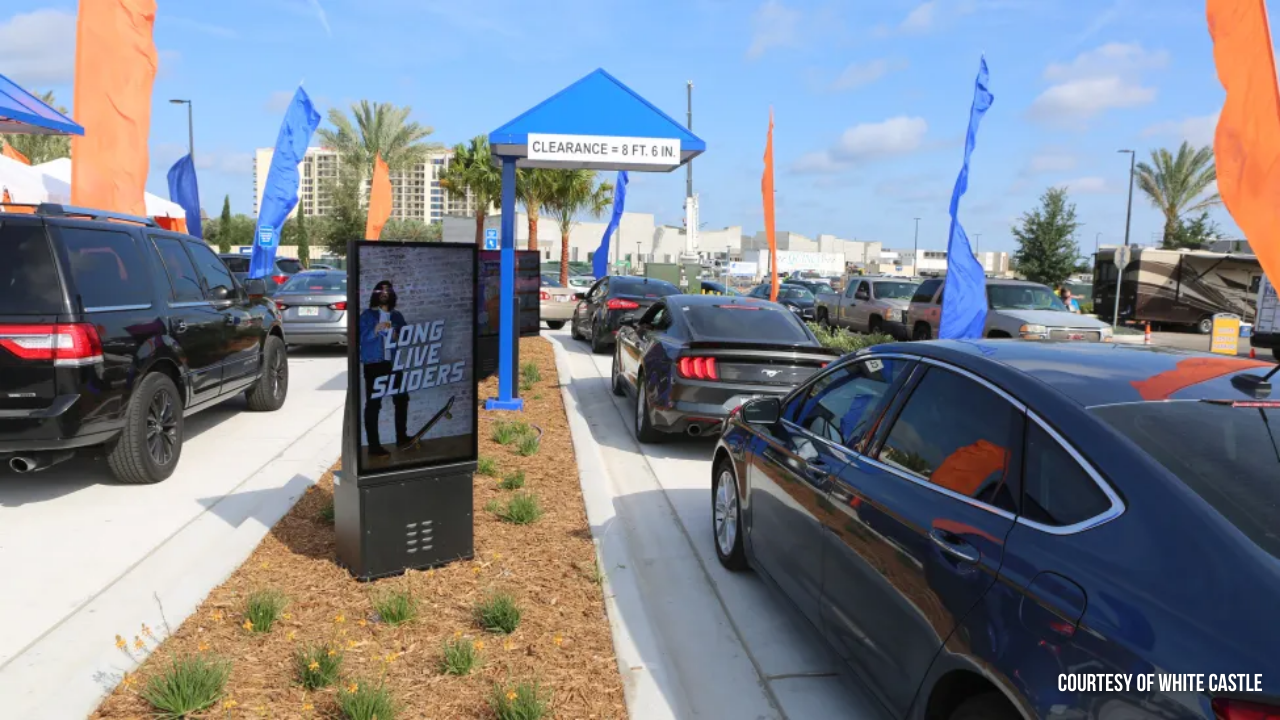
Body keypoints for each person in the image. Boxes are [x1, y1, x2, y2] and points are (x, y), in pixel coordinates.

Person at [358, 280, 409, 457]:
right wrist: (375, 329)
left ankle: (401, 437)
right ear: (375, 294)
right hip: (374, 363)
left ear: (392, 295)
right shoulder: (367, 316)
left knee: (402, 399)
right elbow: (360, 339)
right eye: (381, 290)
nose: (384, 292)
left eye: (388, 290)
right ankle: (373, 446)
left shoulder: (397, 316)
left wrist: (398, 335)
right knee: (373, 404)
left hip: (393, 362)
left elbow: (407, 335)